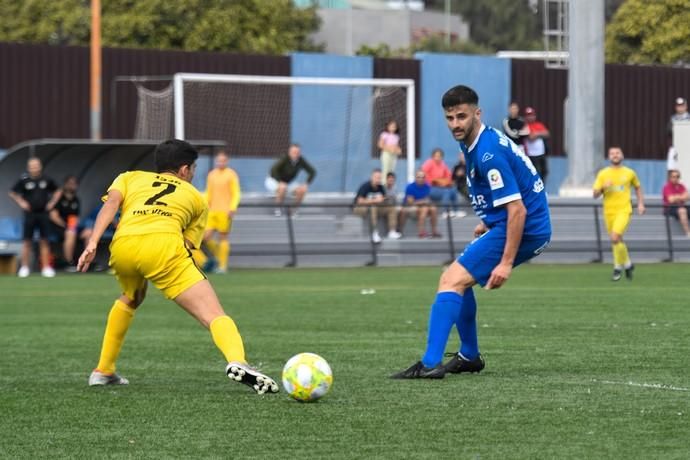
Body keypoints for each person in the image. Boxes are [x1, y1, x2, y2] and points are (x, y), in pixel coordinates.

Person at [77, 139, 279, 394]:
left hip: (123, 245)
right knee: (214, 315)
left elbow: (111, 204)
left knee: (132, 296)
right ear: (184, 170)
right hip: (163, 246)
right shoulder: (196, 197)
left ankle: (103, 371)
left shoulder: (129, 177)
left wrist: (93, 242)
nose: (193, 175)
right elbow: (186, 244)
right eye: (193, 169)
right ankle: (238, 361)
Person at [391, 84, 551, 379]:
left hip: (524, 227)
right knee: (458, 279)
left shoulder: (488, 152)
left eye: (462, 117)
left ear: (477, 113)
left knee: (450, 280)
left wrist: (505, 263)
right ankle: (469, 356)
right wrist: (489, 221)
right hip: (513, 224)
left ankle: (429, 364)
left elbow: (518, 210)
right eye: (450, 118)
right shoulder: (476, 141)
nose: (455, 124)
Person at [593, 146, 645, 282]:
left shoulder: (629, 173)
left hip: (624, 210)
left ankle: (617, 267)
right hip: (609, 211)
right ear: (608, 157)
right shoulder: (603, 174)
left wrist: (640, 204)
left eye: (617, 153)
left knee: (615, 237)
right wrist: (604, 186)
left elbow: (638, 187)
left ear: (622, 155)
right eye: (612, 153)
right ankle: (628, 264)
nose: (615, 155)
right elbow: (594, 194)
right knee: (616, 240)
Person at [8, 157, 61, 278]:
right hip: (30, 214)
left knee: (44, 241)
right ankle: (24, 267)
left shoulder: (46, 179)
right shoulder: (24, 180)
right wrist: (21, 202)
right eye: (32, 166)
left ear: (40, 166)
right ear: (28, 167)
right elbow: (12, 192)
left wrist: (52, 203)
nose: (34, 168)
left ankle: (46, 267)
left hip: (43, 213)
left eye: (36, 165)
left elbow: (58, 191)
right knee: (27, 241)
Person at [202, 150, 241, 274]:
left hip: (225, 211)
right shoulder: (212, 175)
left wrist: (232, 208)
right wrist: (205, 205)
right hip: (212, 211)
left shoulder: (231, 174)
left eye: (223, 160)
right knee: (205, 237)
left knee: (223, 237)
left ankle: (223, 266)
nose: (220, 162)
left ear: (227, 161)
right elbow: (208, 192)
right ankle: (220, 257)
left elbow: (236, 192)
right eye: (219, 160)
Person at [265, 143, 316, 217]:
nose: (295, 154)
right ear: (289, 152)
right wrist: (280, 181)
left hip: (287, 183)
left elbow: (312, 171)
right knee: (282, 187)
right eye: (293, 152)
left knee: (302, 190)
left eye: (297, 152)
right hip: (273, 180)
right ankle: (277, 208)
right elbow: (273, 170)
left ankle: (293, 210)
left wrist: (306, 184)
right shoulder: (284, 158)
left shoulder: (301, 160)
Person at [353, 169, 402, 244]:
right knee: (373, 207)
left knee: (391, 208)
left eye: (380, 178)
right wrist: (374, 200)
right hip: (360, 208)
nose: (378, 179)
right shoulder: (365, 186)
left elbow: (383, 198)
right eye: (376, 177)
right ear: (372, 177)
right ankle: (374, 232)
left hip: (375, 207)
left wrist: (384, 199)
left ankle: (392, 231)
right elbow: (360, 201)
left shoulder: (381, 187)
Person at [49, 175, 81, 269]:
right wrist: (67, 226)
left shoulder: (76, 199)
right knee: (70, 233)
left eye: (74, 184)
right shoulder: (59, 198)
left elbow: (75, 217)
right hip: (57, 226)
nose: (72, 186)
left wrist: (73, 226)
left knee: (88, 233)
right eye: (70, 183)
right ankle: (69, 262)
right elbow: (53, 216)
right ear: (65, 184)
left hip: (71, 226)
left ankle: (87, 262)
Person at [421, 148, 464, 218]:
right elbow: (423, 175)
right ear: (432, 156)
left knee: (453, 190)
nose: (438, 158)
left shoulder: (442, 164)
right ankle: (445, 211)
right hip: (429, 188)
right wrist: (437, 181)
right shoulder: (429, 163)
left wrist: (447, 182)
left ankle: (456, 211)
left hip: (440, 187)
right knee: (446, 192)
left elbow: (449, 175)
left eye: (439, 156)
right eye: (436, 156)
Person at [398, 170, 440, 238]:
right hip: (410, 208)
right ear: (415, 177)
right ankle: (421, 232)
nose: (421, 179)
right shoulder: (410, 187)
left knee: (433, 208)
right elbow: (411, 202)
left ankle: (434, 231)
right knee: (424, 208)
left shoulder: (428, 187)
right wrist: (423, 201)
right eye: (419, 177)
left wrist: (426, 202)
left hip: (422, 207)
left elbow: (429, 199)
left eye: (423, 177)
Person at [523, 107, 550, 185]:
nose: (530, 117)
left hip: (541, 153)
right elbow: (530, 137)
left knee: (544, 171)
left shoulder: (539, 125)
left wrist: (537, 134)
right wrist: (535, 134)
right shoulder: (524, 126)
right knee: (534, 172)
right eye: (528, 115)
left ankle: (542, 187)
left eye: (531, 115)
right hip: (530, 154)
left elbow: (547, 133)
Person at [662, 169, 690, 237]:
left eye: (677, 176)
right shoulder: (667, 187)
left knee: (682, 209)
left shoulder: (681, 186)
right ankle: (688, 233)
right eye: (673, 176)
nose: (676, 178)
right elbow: (671, 200)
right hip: (670, 208)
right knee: (682, 210)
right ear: (669, 177)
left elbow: (688, 196)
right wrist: (682, 197)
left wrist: (677, 197)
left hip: (681, 206)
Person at [666, 97, 689, 171]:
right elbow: (668, 131)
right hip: (675, 146)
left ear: (686, 106)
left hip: (687, 147)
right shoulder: (673, 119)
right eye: (678, 106)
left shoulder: (689, 118)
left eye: (682, 106)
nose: (680, 108)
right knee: (672, 167)